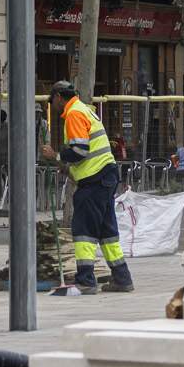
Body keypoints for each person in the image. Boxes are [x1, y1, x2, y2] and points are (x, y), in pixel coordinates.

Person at [46, 80, 132, 295]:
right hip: (105, 176)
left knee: (84, 230)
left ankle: (86, 281)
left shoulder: (74, 113)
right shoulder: (84, 110)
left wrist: (55, 155)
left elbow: (80, 150)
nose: (53, 106)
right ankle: (122, 278)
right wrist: (68, 169)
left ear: (58, 97)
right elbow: (87, 152)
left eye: (52, 101)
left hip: (94, 181)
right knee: (107, 232)